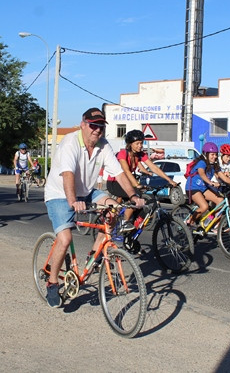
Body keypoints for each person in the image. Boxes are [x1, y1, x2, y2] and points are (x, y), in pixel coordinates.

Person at [43, 107, 145, 308]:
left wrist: (133, 195)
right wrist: (73, 201)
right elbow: (68, 175)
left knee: (115, 209)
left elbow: (119, 174)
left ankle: (94, 255)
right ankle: (52, 283)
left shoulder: (103, 145)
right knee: (65, 239)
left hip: (87, 191)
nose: (97, 130)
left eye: (100, 126)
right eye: (93, 125)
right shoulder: (70, 143)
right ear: (83, 124)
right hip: (60, 194)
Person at [107, 129, 178, 233]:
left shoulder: (140, 155)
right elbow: (126, 171)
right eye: (137, 143)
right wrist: (136, 184)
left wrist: (169, 180)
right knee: (136, 195)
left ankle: (133, 230)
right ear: (130, 144)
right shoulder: (123, 154)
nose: (140, 146)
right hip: (115, 183)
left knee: (144, 203)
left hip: (126, 182)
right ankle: (125, 222)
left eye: (141, 143)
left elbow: (154, 168)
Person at [184, 142, 227, 231]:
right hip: (193, 187)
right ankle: (189, 222)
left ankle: (213, 224)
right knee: (204, 206)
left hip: (203, 188)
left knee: (220, 201)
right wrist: (210, 182)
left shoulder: (214, 164)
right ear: (206, 154)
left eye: (216, 154)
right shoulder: (201, 162)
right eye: (212, 154)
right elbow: (202, 174)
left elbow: (222, 175)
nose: (214, 156)